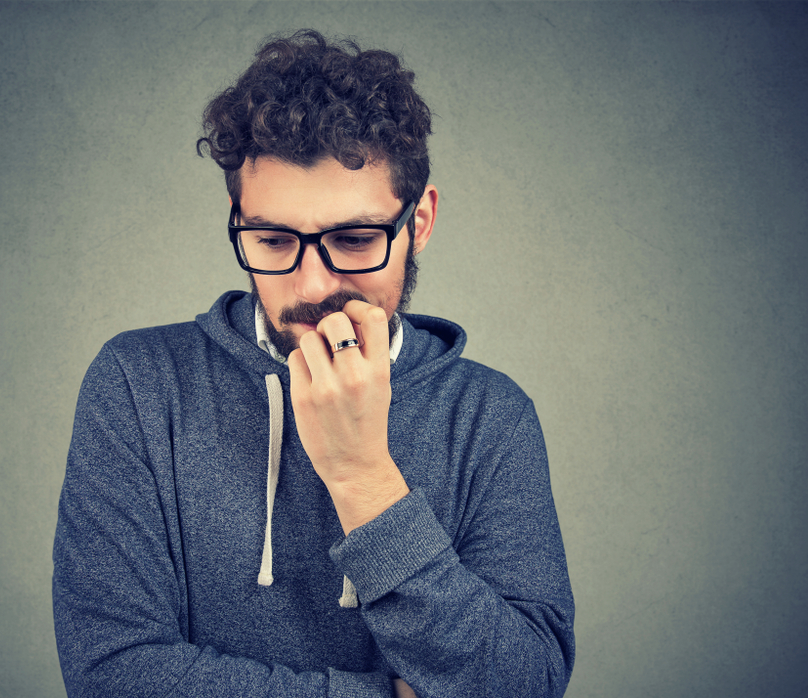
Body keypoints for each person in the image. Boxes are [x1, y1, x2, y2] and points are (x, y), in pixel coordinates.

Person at [53, 29, 574, 698]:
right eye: (272, 239)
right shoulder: (138, 386)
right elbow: (112, 677)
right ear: (237, 220)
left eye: (354, 240)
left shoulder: (490, 417)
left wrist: (364, 477)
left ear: (419, 222)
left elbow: (523, 685)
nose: (309, 287)